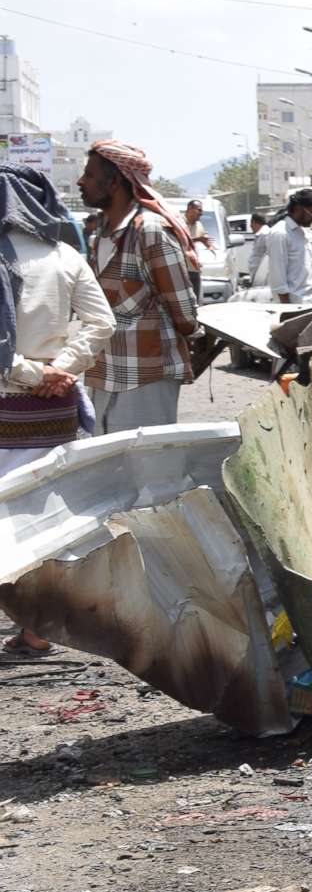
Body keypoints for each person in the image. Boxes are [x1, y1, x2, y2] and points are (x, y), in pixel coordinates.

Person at [1, 165, 113, 659]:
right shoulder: (66, 255)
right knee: (47, 518)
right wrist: (61, 370)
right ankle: (37, 629)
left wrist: (28, 373)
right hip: (55, 408)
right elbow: (101, 322)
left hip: (9, 403)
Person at [77, 140, 200, 432]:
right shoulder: (100, 238)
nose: (81, 182)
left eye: (90, 175)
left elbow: (185, 314)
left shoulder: (150, 232)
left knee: (150, 471)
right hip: (105, 373)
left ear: (116, 181)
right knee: (109, 470)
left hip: (147, 378)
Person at [241, 189, 312, 303]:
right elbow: (278, 279)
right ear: (298, 209)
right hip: (294, 307)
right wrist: (287, 310)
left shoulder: (302, 233)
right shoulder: (280, 233)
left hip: (310, 302)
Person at [178, 197, 220, 296]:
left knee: (195, 297)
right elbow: (179, 242)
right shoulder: (179, 223)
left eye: (202, 210)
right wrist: (198, 239)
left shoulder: (199, 225)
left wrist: (209, 245)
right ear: (190, 209)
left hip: (194, 267)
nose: (201, 213)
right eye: (199, 210)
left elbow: (204, 237)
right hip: (180, 268)